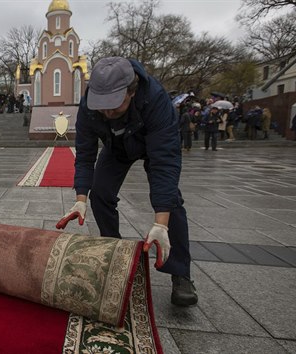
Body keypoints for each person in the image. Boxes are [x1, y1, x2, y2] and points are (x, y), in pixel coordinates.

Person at [56, 57, 197, 306]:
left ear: (132, 92)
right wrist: (80, 198)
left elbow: (165, 162)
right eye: (103, 107)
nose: (108, 113)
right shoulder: (89, 106)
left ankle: (180, 273)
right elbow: (86, 153)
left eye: (115, 106)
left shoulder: (155, 100)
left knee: (170, 200)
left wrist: (160, 224)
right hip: (117, 147)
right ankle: (114, 253)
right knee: (99, 193)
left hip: (150, 141)